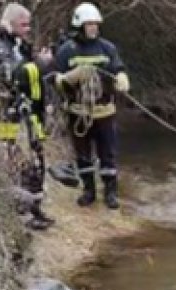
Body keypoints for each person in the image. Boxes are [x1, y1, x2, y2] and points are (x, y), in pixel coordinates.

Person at [53, 2, 130, 209]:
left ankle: (111, 193)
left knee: (108, 154)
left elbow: (117, 67)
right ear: (79, 26)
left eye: (96, 24)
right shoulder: (66, 51)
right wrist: (69, 78)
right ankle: (88, 191)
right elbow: (55, 80)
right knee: (83, 155)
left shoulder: (107, 48)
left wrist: (121, 77)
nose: (94, 28)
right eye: (89, 24)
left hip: (105, 112)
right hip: (78, 113)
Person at [0, 2, 55, 230]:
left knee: (36, 160)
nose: (28, 29)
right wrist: (38, 64)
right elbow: (11, 73)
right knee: (17, 162)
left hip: (30, 114)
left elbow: (32, 72)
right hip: (8, 115)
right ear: (11, 23)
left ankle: (35, 207)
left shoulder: (21, 45)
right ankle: (21, 213)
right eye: (23, 25)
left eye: (29, 24)